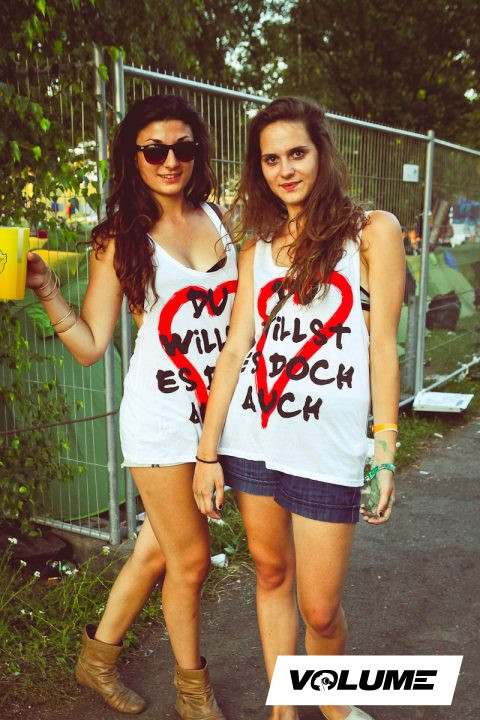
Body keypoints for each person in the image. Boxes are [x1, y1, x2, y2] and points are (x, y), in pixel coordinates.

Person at [26, 94, 237, 720]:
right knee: (190, 560)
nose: (170, 160)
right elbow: (92, 345)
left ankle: (96, 660)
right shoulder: (120, 237)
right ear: (133, 157)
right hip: (161, 418)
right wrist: (47, 289)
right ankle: (193, 691)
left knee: (155, 549)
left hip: (218, 414)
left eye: (183, 147)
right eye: (154, 149)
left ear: (197, 152)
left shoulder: (218, 217)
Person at [193, 97, 405, 720]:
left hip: (327, 447)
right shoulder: (257, 250)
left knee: (319, 608)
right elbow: (236, 349)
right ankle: (283, 708)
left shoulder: (372, 232)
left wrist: (384, 454)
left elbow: (383, 348)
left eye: (297, 154)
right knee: (270, 574)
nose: (285, 170)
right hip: (253, 437)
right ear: (258, 169)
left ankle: (333, 705)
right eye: (270, 160)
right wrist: (207, 453)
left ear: (322, 154)